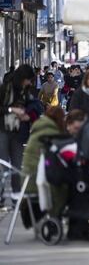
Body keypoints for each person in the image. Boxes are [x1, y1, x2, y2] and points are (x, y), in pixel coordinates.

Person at [21, 106, 66, 217]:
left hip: (27, 182)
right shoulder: (51, 132)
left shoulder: (38, 129)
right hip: (38, 184)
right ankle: (57, 217)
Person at [0, 65, 36, 196]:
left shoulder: (25, 92)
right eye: (28, 80)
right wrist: (11, 110)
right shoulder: (5, 89)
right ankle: (1, 195)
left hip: (18, 132)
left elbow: (32, 107)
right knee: (3, 165)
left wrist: (26, 115)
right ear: (22, 78)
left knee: (17, 164)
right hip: (3, 130)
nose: (29, 83)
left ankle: (17, 195)